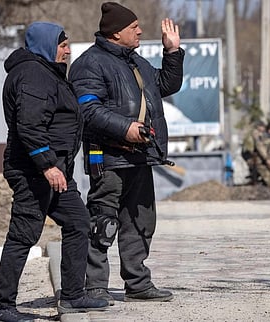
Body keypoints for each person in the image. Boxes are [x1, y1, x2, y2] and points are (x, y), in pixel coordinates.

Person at [0, 21, 108, 322]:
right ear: (45, 44)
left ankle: (72, 296)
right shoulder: (33, 75)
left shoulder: (46, 73)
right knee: (23, 234)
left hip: (54, 171)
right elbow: (29, 125)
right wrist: (48, 165)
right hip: (35, 171)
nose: (67, 49)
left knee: (78, 221)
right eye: (62, 43)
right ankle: (3, 306)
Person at [69, 2, 184, 304]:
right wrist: (125, 128)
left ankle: (138, 284)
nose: (141, 31)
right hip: (107, 158)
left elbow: (164, 85)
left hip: (139, 156)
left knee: (140, 222)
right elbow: (88, 110)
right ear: (116, 33)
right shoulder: (89, 64)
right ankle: (94, 288)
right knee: (102, 223)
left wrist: (172, 52)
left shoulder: (134, 62)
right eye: (134, 27)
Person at [241, 120, 266, 184]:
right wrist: (266, 157)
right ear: (259, 127)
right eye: (263, 127)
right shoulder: (255, 132)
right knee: (255, 166)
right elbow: (259, 145)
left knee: (254, 166)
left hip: (248, 152)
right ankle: (254, 181)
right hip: (248, 153)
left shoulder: (253, 131)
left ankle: (254, 179)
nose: (264, 128)